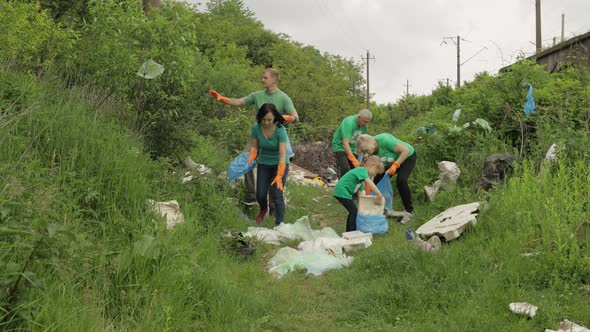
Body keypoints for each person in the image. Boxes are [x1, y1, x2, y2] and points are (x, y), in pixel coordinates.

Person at [208, 68, 299, 206]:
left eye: (265, 78)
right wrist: (223, 99)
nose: (262, 79)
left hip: (276, 137)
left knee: (275, 166)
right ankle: (251, 195)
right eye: (262, 77)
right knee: (246, 158)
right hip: (258, 134)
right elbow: (239, 101)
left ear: (274, 79)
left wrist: (286, 118)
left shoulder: (283, 98)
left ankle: (273, 204)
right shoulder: (257, 95)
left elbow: (296, 117)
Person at [355, 133, 416, 224]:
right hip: (389, 162)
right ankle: (379, 209)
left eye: (366, 151)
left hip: (406, 157)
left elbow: (405, 151)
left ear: (371, 146)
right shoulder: (369, 151)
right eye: (364, 152)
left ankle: (409, 210)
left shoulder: (384, 140)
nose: (366, 153)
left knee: (401, 180)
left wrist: (395, 165)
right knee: (376, 182)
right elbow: (367, 170)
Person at [246, 103, 290, 225]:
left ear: (275, 117)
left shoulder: (280, 130)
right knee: (260, 193)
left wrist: (280, 174)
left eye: (269, 120)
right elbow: (255, 146)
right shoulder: (256, 127)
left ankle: (279, 224)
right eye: (264, 119)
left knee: (277, 192)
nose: (266, 123)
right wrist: (251, 157)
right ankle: (263, 209)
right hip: (264, 162)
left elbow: (282, 154)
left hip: (279, 162)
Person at [333, 155, 384, 232]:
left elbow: (360, 194)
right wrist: (379, 194)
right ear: (371, 165)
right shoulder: (362, 170)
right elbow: (369, 182)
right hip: (342, 191)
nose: (375, 175)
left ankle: (348, 231)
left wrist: (364, 206)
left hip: (344, 193)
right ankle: (353, 232)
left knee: (353, 212)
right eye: (375, 172)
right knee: (354, 212)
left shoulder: (361, 179)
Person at [331, 109, 371, 178]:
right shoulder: (349, 122)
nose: (365, 124)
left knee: (354, 170)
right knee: (345, 168)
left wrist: (366, 153)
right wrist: (353, 160)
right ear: (359, 117)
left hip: (353, 148)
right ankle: (342, 187)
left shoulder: (364, 127)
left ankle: (351, 188)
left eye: (367, 122)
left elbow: (364, 141)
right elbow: (345, 143)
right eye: (364, 122)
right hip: (340, 146)